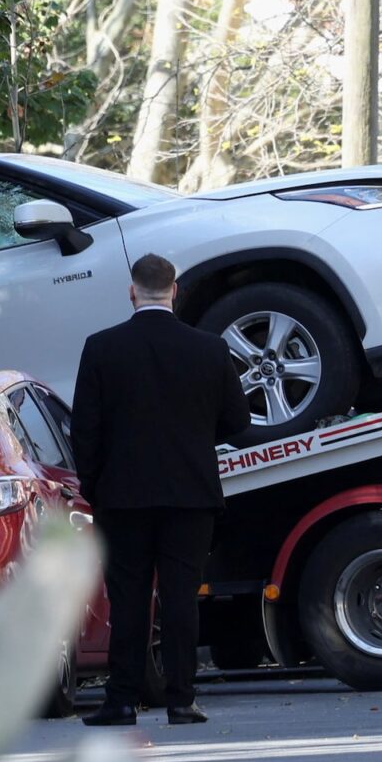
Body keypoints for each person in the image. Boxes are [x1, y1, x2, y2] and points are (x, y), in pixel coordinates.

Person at [71, 253, 249, 727]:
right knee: (179, 598)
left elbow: (84, 430)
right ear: (174, 292)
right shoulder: (210, 349)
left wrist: (95, 486)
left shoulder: (102, 347)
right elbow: (239, 421)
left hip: (122, 496)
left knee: (128, 598)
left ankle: (122, 699)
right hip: (191, 495)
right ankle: (181, 699)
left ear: (132, 292)